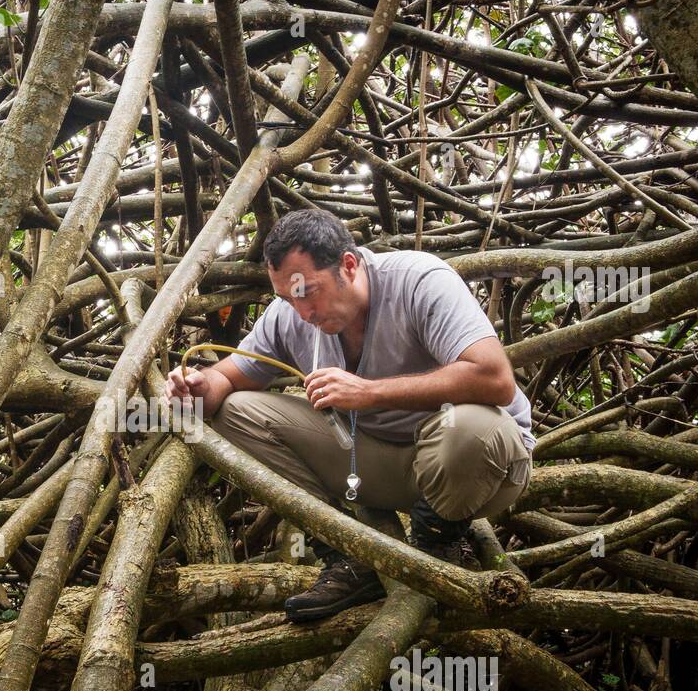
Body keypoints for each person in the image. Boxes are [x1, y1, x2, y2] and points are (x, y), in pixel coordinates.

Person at [164, 209, 534, 622]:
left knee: (468, 431)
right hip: (378, 465)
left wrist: (370, 393)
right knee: (235, 412)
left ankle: (437, 547)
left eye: (308, 292)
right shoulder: (291, 314)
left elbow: (495, 379)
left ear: (349, 265)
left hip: (478, 470)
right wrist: (199, 387)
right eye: (288, 297)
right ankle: (349, 557)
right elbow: (227, 382)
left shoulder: (420, 280)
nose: (302, 311)